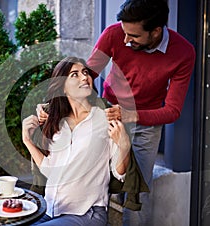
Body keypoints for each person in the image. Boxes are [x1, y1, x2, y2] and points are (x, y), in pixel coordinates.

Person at [85, 0, 196, 225]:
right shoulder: (114, 34)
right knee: (97, 182)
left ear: (156, 32)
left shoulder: (183, 52)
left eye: (133, 36)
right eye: (125, 33)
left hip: (146, 124)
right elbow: (87, 74)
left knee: (138, 193)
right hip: (110, 115)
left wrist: (132, 115)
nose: (126, 40)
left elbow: (172, 111)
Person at [22, 57, 131, 226]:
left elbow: (119, 173)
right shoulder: (58, 122)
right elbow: (51, 170)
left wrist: (124, 146)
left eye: (85, 72)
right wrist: (27, 140)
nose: (83, 77)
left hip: (86, 213)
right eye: (74, 74)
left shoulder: (104, 117)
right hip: (50, 209)